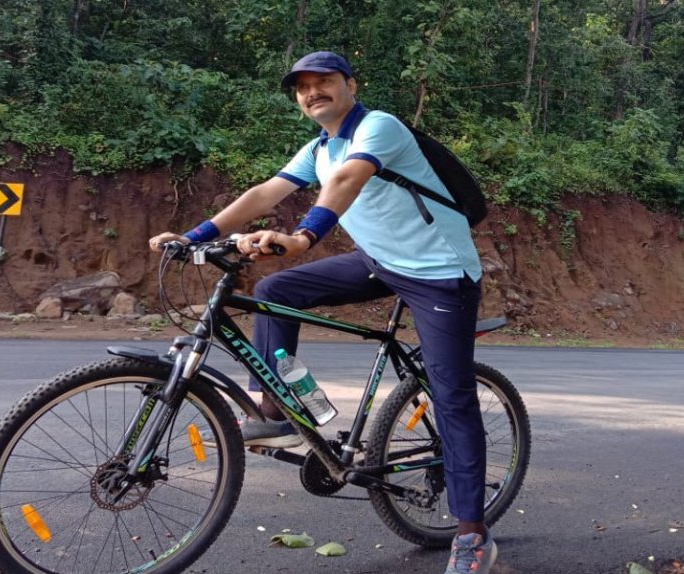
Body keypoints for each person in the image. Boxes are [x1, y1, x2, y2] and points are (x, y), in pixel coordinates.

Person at [149, 51, 495, 574]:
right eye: (302, 87)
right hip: (380, 262)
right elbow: (266, 192)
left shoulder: (379, 127)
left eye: (324, 81)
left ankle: (471, 533)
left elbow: (348, 181)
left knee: (452, 396)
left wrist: (303, 236)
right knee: (276, 291)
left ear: (351, 85)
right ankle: (278, 409)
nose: (312, 92)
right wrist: (193, 236)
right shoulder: (320, 148)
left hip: (439, 273)